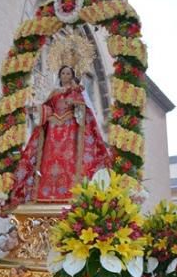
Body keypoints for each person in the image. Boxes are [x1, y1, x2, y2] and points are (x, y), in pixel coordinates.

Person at [8, 64, 110, 207]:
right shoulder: (55, 93)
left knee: (69, 160)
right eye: (63, 73)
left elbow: (83, 112)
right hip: (53, 132)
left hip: (70, 132)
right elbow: (47, 107)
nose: (66, 76)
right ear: (59, 76)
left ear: (73, 76)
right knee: (50, 159)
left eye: (69, 74)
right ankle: (46, 193)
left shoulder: (76, 91)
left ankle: (69, 193)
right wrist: (40, 110)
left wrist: (75, 99)